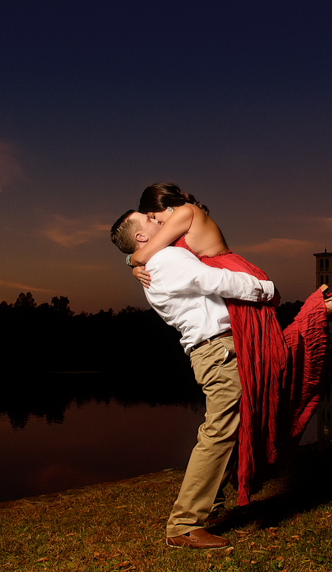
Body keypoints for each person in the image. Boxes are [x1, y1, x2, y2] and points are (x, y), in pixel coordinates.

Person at [126, 183, 332, 508]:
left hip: (234, 279)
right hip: (231, 281)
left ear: (162, 207)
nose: (153, 224)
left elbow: (142, 253)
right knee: (266, 364)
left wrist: (132, 262)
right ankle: (212, 495)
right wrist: (137, 264)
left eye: (152, 216)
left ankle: (321, 307)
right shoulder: (181, 222)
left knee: (270, 359)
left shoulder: (184, 212)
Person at [110, 210, 275, 550]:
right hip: (216, 349)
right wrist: (265, 289)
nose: (159, 221)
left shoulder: (155, 261)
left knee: (233, 423)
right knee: (220, 429)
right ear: (142, 238)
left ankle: (210, 504)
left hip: (216, 348)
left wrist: (131, 260)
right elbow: (215, 281)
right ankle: (184, 525)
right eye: (150, 220)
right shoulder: (167, 257)